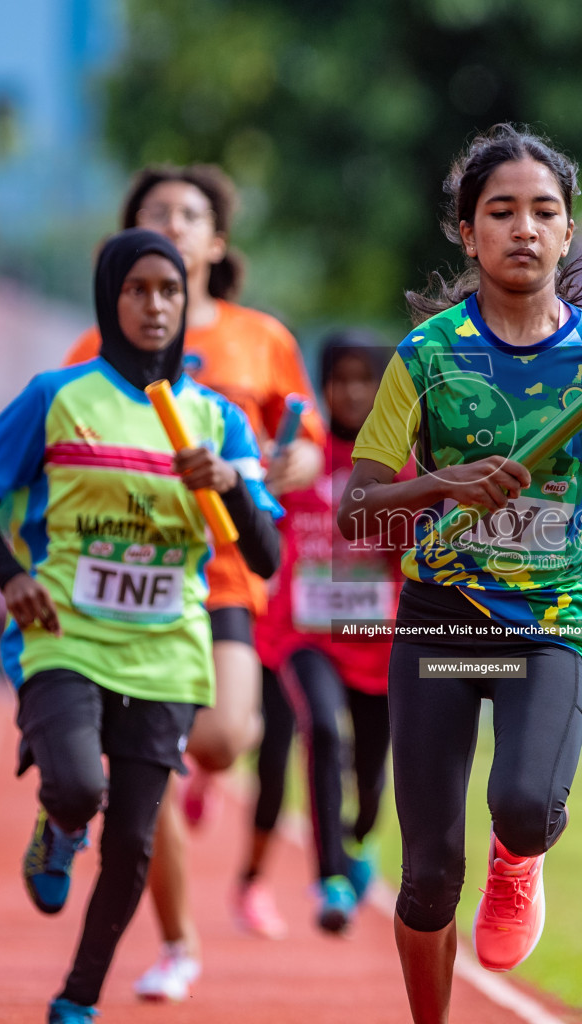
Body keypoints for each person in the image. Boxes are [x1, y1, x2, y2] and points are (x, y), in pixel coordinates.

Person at [338, 124, 582, 1024]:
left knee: (523, 806)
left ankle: (521, 861)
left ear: (568, 231)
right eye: (501, 211)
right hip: (441, 623)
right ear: (467, 231)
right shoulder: (427, 357)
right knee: (430, 872)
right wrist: (445, 484)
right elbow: (356, 509)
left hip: (549, 620)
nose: (524, 228)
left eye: (544, 211)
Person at [0, 229, 282, 1024]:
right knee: (78, 785)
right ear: (110, 299)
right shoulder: (56, 397)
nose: (156, 305)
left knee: (134, 842)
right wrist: (11, 576)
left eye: (169, 290)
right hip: (65, 632)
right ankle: (59, 823)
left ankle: (77, 1000)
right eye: (138, 290)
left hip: (166, 649)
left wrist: (230, 482)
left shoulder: (216, 418)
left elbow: (264, 557)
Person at [61, 165, 325, 1000]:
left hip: (223, 570)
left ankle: (200, 763)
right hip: (131, 576)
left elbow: (308, 440)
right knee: (153, 763)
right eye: (155, 214)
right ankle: (177, 941)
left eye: (190, 214)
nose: (173, 224)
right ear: (123, 240)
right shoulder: (87, 354)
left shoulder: (261, 338)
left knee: (219, 740)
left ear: (217, 242)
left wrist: (276, 474)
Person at [248, 331, 401, 937]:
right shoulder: (300, 460)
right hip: (307, 634)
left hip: (376, 638)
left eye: (367, 378)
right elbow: (261, 530)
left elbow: (414, 551)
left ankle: (359, 837)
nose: (353, 390)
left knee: (370, 774)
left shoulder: (398, 462)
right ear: (323, 385)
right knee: (322, 734)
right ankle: (329, 878)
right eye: (341, 378)